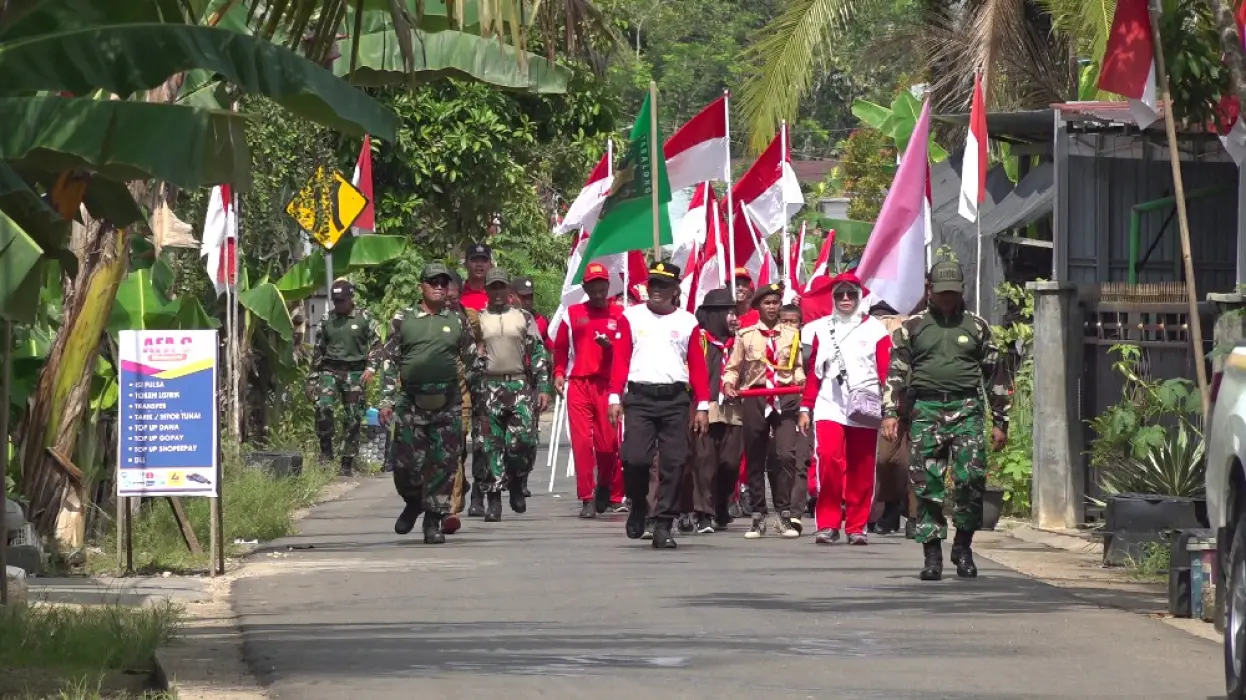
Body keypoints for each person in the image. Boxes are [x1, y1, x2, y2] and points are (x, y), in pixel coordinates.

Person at [881, 260, 1010, 580]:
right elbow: (895, 373)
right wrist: (890, 413)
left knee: (971, 480)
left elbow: (995, 375)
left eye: (953, 293)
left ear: (962, 291)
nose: (948, 299)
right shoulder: (912, 328)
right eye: (942, 293)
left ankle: (964, 546)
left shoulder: (977, 327)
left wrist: (1000, 421)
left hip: (966, 410)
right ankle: (933, 553)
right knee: (927, 485)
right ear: (929, 291)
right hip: (925, 411)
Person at [608, 261, 711, 550]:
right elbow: (621, 359)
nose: (656, 290)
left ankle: (664, 523)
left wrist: (702, 404)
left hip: (675, 399)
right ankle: (639, 504)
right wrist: (614, 396)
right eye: (653, 283)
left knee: (675, 463)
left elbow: (697, 367)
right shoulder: (632, 317)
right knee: (635, 459)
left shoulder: (687, 321)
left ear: (675, 289)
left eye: (663, 285)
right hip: (639, 398)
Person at [382, 263, 480, 544]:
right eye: (432, 282)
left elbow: (472, 360)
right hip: (411, 402)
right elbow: (390, 359)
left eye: (443, 282)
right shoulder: (403, 318)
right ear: (421, 287)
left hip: (447, 402)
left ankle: (433, 520)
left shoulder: (457, 320)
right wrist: (387, 399)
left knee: (444, 463)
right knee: (405, 465)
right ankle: (413, 501)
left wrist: (478, 399)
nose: (439, 287)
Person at [799, 272, 892, 546]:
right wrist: (806, 406)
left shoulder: (876, 330)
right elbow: (814, 372)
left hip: (865, 406)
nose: (845, 299)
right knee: (828, 461)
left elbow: (886, 372)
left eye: (851, 293)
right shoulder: (819, 328)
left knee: (862, 468)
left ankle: (856, 525)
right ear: (833, 297)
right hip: (830, 405)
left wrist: (890, 411)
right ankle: (827, 524)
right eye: (840, 294)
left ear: (860, 296)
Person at [722, 282, 804, 539]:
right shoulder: (746, 336)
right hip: (755, 396)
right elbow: (734, 367)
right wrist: (728, 383)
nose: (772, 307)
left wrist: (800, 380)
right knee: (755, 456)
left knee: (785, 455)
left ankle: (784, 513)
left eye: (775, 303)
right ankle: (758, 516)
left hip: (784, 397)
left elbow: (797, 366)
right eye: (767, 303)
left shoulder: (792, 335)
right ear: (758, 306)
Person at [476, 268, 552, 521]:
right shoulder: (478, 320)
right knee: (491, 446)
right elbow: (467, 354)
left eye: (501, 287)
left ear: (508, 290)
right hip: (490, 387)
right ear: (486, 290)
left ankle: (518, 481)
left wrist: (543, 387)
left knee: (521, 443)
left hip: (518, 385)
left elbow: (539, 352)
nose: (497, 292)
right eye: (492, 287)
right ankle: (494, 500)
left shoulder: (523, 317)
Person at [553, 263, 628, 518]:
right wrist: (559, 373)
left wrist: (610, 347)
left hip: (608, 386)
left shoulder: (620, 314)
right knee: (582, 443)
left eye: (602, 285)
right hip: (579, 384)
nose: (598, 290)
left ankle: (605, 486)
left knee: (608, 446)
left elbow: (627, 351)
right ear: (585, 287)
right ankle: (586, 497)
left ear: (608, 287)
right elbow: (560, 347)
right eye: (592, 285)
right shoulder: (572, 313)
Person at [309, 279, 381, 477]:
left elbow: (377, 345)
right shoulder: (326, 320)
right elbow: (318, 351)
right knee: (323, 407)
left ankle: (347, 461)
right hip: (330, 370)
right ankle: (325, 450)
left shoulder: (364, 318)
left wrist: (372, 368)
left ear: (351, 298)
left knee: (353, 416)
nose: (338, 304)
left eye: (342, 300)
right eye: (335, 301)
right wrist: (313, 379)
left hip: (356, 372)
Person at [686, 288, 743, 532]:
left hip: (734, 408)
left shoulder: (740, 341)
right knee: (704, 461)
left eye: (733, 311)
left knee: (730, 464)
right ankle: (703, 512)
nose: (732, 317)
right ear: (713, 315)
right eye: (727, 312)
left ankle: (722, 503)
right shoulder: (698, 339)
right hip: (704, 406)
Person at [867, 299, 910, 536]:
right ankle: (886, 507)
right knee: (884, 461)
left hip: (914, 405)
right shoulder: (867, 339)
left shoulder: (911, 335)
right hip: (878, 407)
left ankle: (910, 514)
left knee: (911, 462)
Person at [511, 274, 551, 499]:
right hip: (508, 379)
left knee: (529, 434)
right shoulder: (506, 319)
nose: (527, 301)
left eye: (530, 297)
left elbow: (547, 347)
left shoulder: (539, 320)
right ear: (512, 297)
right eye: (522, 297)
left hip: (531, 381)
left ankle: (523, 476)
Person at [459, 242, 492, 312]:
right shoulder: (457, 292)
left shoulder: (498, 292)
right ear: (465, 264)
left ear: (490, 265)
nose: (479, 264)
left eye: (484, 260)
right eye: (474, 260)